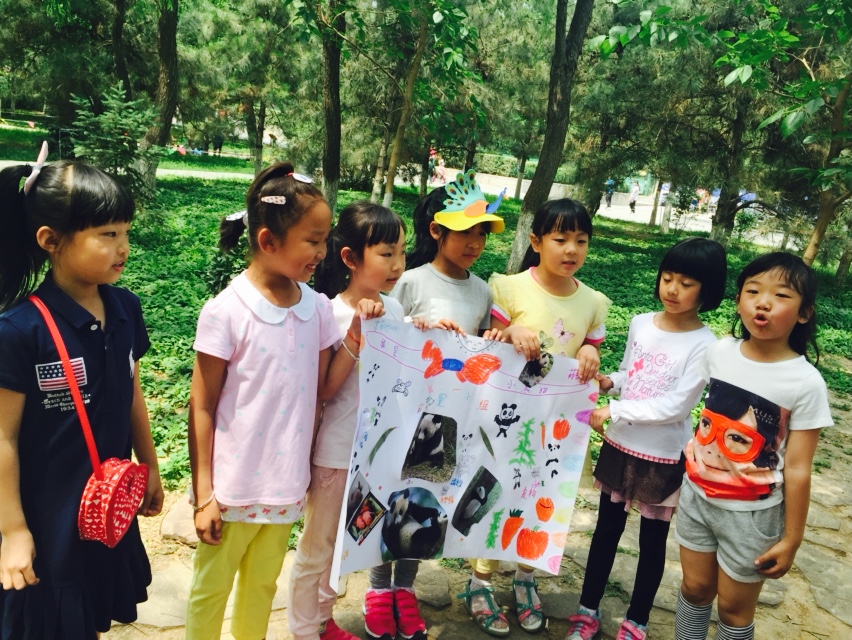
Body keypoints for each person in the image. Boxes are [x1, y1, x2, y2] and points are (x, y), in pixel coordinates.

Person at [184, 162, 382, 639]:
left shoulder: (316, 308)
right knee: (211, 591)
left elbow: (323, 390)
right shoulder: (226, 312)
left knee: (261, 587)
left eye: (325, 239)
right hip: (230, 491)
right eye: (312, 241)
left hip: (285, 486)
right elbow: (202, 406)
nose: (322, 252)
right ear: (268, 241)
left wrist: (355, 336)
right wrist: (204, 494)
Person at [0, 147, 164, 639]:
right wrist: (13, 531)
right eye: (107, 234)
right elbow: (3, 438)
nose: (123, 247)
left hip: (102, 510)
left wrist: (150, 465)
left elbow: (132, 391)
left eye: (126, 232)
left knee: (86, 615)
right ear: (50, 240)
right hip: (46, 520)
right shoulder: (19, 331)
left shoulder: (126, 309)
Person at [460, 199, 610, 636]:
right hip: (508, 422)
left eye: (581, 240)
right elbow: (490, 340)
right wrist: (511, 331)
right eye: (560, 239)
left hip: (558, 427)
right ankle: (480, 581)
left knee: (546, 498)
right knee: (498, 494)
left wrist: (590, 352)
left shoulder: (594, 302)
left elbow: (591, 348)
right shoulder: (509, 287)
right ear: (536, 241)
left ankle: (526, 577)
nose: (571, 249)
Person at [566, 238, 727, 640]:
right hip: (620, 445)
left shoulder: (705, 345)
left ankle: (636, 621)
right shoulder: (641, 322)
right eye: (667, 278)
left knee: (652, 544)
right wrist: (610, 382)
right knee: (605, 533)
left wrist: (615, 409)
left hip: (662, 456)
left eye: (686, 283)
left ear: (706, 290)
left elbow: (677, 406)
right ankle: (587, 611)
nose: (672, 289)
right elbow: (631, 372)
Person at [674, 252, 833, 640]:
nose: (763, 303)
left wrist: (792, 539)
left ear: (804, 313)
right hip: (697, 498)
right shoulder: (719, 352)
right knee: (694, 589)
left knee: (733, 608)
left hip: (752, 516)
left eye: (781, 295)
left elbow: (798, 467)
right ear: (738, 301)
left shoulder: (805, 383)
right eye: (753, 291)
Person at [386, 170, 505, 640]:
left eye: (482, 233)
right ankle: (378, 590)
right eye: (465, 232)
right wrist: (415, 328)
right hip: (404, 412)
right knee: (393, 495)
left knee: (422, 501)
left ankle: (404, 590)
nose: (475, 243)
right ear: (436, 231)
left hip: (449, 421)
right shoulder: (411, 281)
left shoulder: (482, 291)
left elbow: (483, 349)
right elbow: (387, 335)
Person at [289, 201, 406, 640]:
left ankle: (324, 620)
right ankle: (305, 630)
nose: (397, 264)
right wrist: (356, 332)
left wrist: (436, 335)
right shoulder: (328, 313)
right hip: (336, 455)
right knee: (317, 548)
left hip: (378, 458)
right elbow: (325, 390)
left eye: (401, 253)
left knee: (347, 546)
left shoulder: (396, 312)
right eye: (386, 253)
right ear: (350, 258)